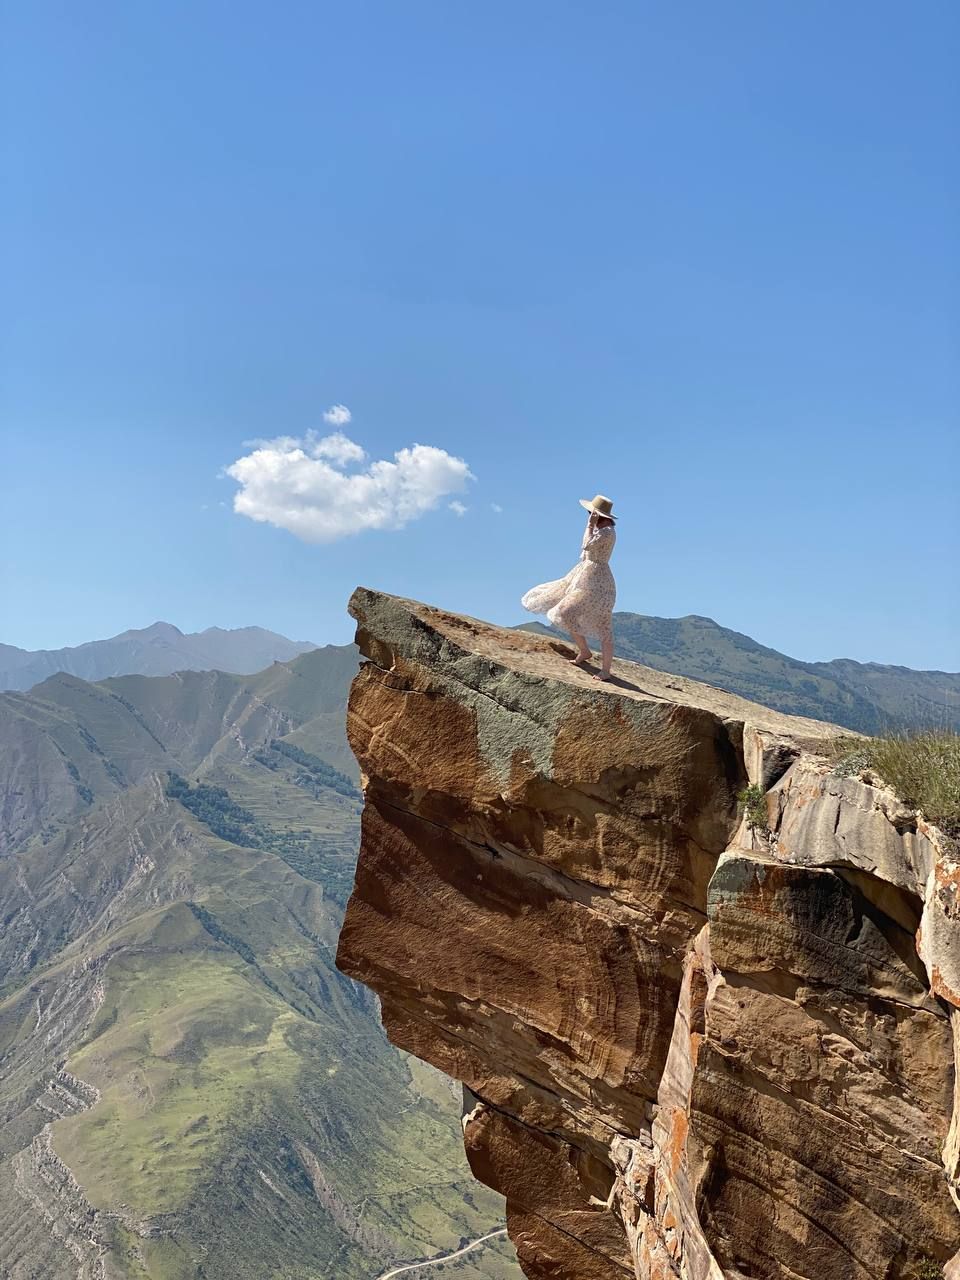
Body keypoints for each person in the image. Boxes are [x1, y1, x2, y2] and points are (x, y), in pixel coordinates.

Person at [522, 494, 617, 681]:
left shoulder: (606, 533)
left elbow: (586, 545)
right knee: (567, 613)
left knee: (601, 624)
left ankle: (605, 670)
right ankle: (584, 651)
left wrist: (590, 525)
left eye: (591, 513)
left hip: (596, 581)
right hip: (586, 575)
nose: (589, 516)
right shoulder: (604, 531)